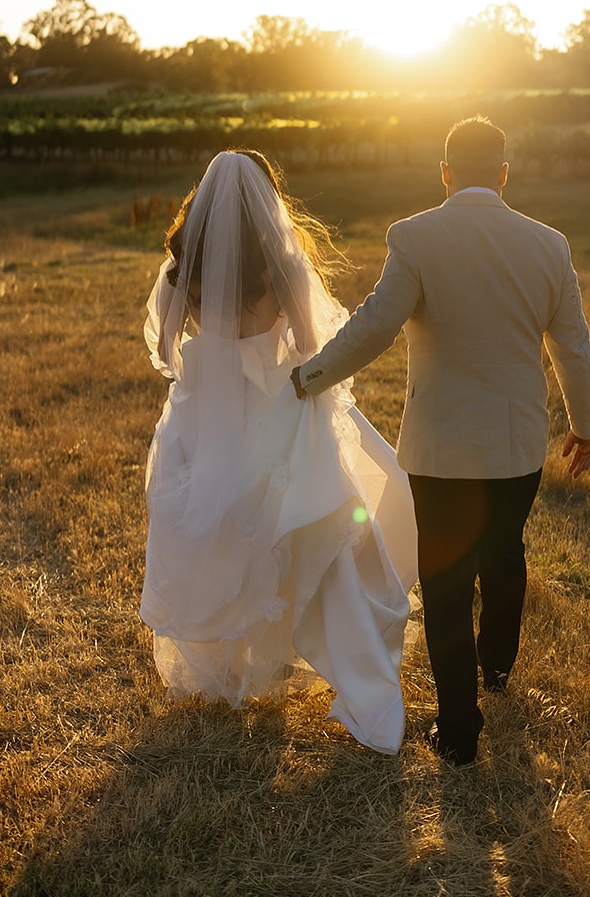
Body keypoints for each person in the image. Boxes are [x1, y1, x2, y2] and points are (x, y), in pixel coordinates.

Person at [291, 117, 590, 766]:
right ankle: (496, 666)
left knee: (444, 582)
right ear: (502, 172)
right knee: (504, 550)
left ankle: (458, 727)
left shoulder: (415, 237)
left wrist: (309, 376)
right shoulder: (548, 244)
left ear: (443, 171)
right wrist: (586, 423)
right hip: (515, 444)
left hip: (437, 450)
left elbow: (374, 327)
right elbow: (570, 345)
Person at [140, 149, 417, 755]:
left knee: (214, 530)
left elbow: (164, 346)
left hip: (203, 408)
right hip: (273, 402)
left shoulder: (182, 262)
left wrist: (206, 351)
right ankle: (342, 656)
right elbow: (314, 341)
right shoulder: (278, 261)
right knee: (309, 526)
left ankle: (225, 670)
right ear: (268, 202)